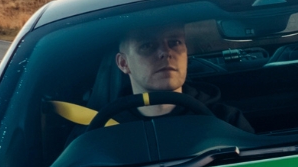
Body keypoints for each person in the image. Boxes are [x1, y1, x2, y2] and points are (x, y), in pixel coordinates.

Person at [60, 21, 254, 131]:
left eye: (175, 42)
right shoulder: (96, 130)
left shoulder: (226, 121)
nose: (165, 52)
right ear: (123, 63)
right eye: (147, 45)